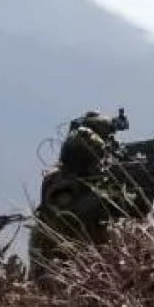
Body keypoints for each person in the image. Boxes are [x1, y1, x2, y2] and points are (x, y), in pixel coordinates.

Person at [28, 114, 122, 280]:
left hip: (70, 268)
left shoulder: (59, 177)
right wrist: (111, 196)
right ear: (85, 162)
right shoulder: (62, 188)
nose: (100, 165)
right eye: (97, 160)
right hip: (59, 273)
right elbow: (71, 218)